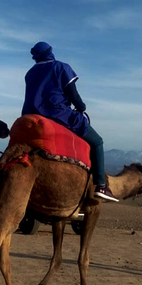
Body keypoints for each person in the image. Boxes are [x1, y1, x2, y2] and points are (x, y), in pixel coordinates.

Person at [21, 41, 118, 202]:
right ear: (50, 52)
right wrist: (81, 107)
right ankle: (101, 185)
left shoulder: (30, 73)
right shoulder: (61, 67)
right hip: (57, 114)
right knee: (97, 142)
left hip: (29, 115)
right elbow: (72, 94)